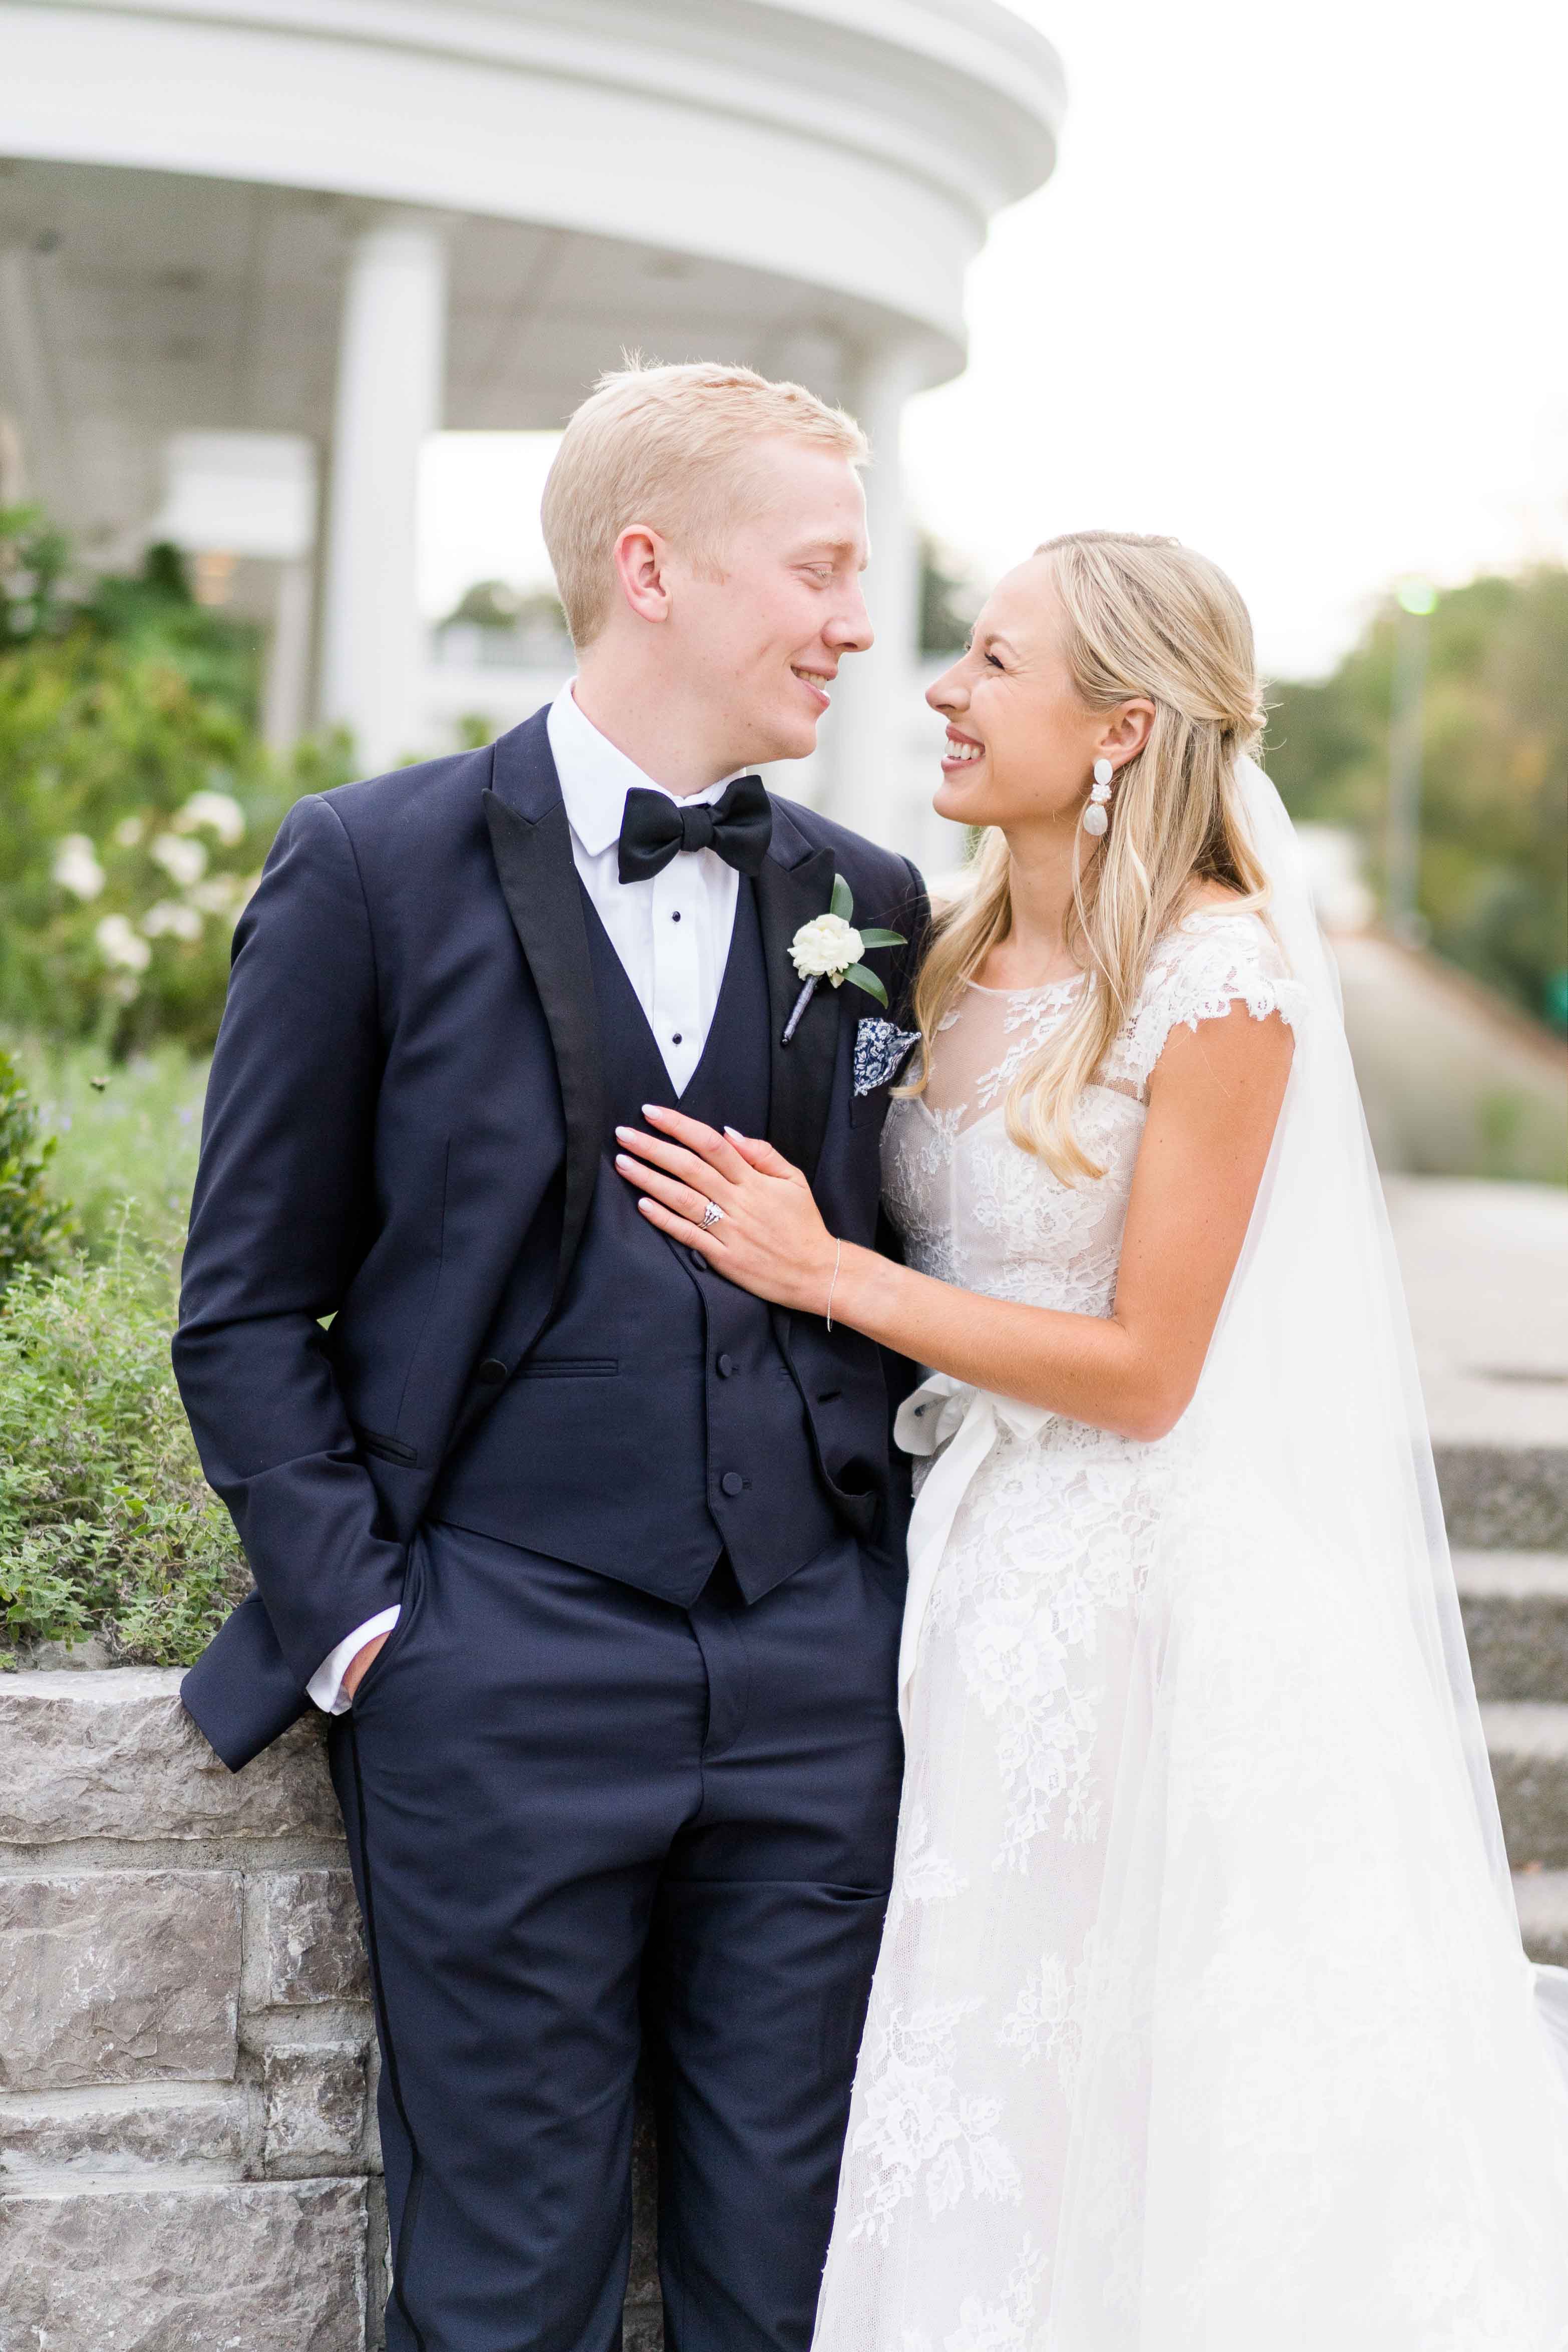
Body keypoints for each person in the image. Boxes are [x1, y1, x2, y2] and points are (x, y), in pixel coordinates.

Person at [615, 530, 1568, 2348]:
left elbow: (1146, 1370)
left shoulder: (1219, 980)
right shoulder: (933, 945)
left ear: (1122, 724)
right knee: (980, 2056)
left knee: (1119, 2077)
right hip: (953, 1550)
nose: (942, 691)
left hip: (1137, 1596)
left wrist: (826, 1277)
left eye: (993, 660)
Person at [173, 360, 928, 2352]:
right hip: (491, 1671)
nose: (857, 622)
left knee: (804, 2291)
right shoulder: (367, 867)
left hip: (810, 1680)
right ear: (652, 568)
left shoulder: (866, 902)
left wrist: (871, 1613)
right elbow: (242, 1301)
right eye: (820, 569)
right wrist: (370, 1632)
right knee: (505, 2289)